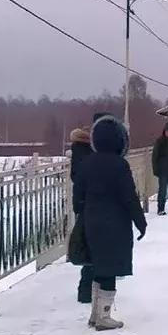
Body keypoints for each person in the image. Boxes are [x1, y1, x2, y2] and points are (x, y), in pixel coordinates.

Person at [74, 114, 147, 331]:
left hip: (91, 221)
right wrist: (140, 222)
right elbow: (129, 197)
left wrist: (84, 214)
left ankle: (95, 315)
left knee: (98, 266)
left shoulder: (87, 163)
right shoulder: (119, 165)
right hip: (115, 224)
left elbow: (77, 194)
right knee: (110, 268)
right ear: (119, 140)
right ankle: (104, 317)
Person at [69, 120, 96, 304]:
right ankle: (87, 289)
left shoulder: (77, 150)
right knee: (93, 247)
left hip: (82, 203)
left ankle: (85, 289)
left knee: (87, 245)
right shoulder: (88, 152)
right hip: (91, 203)